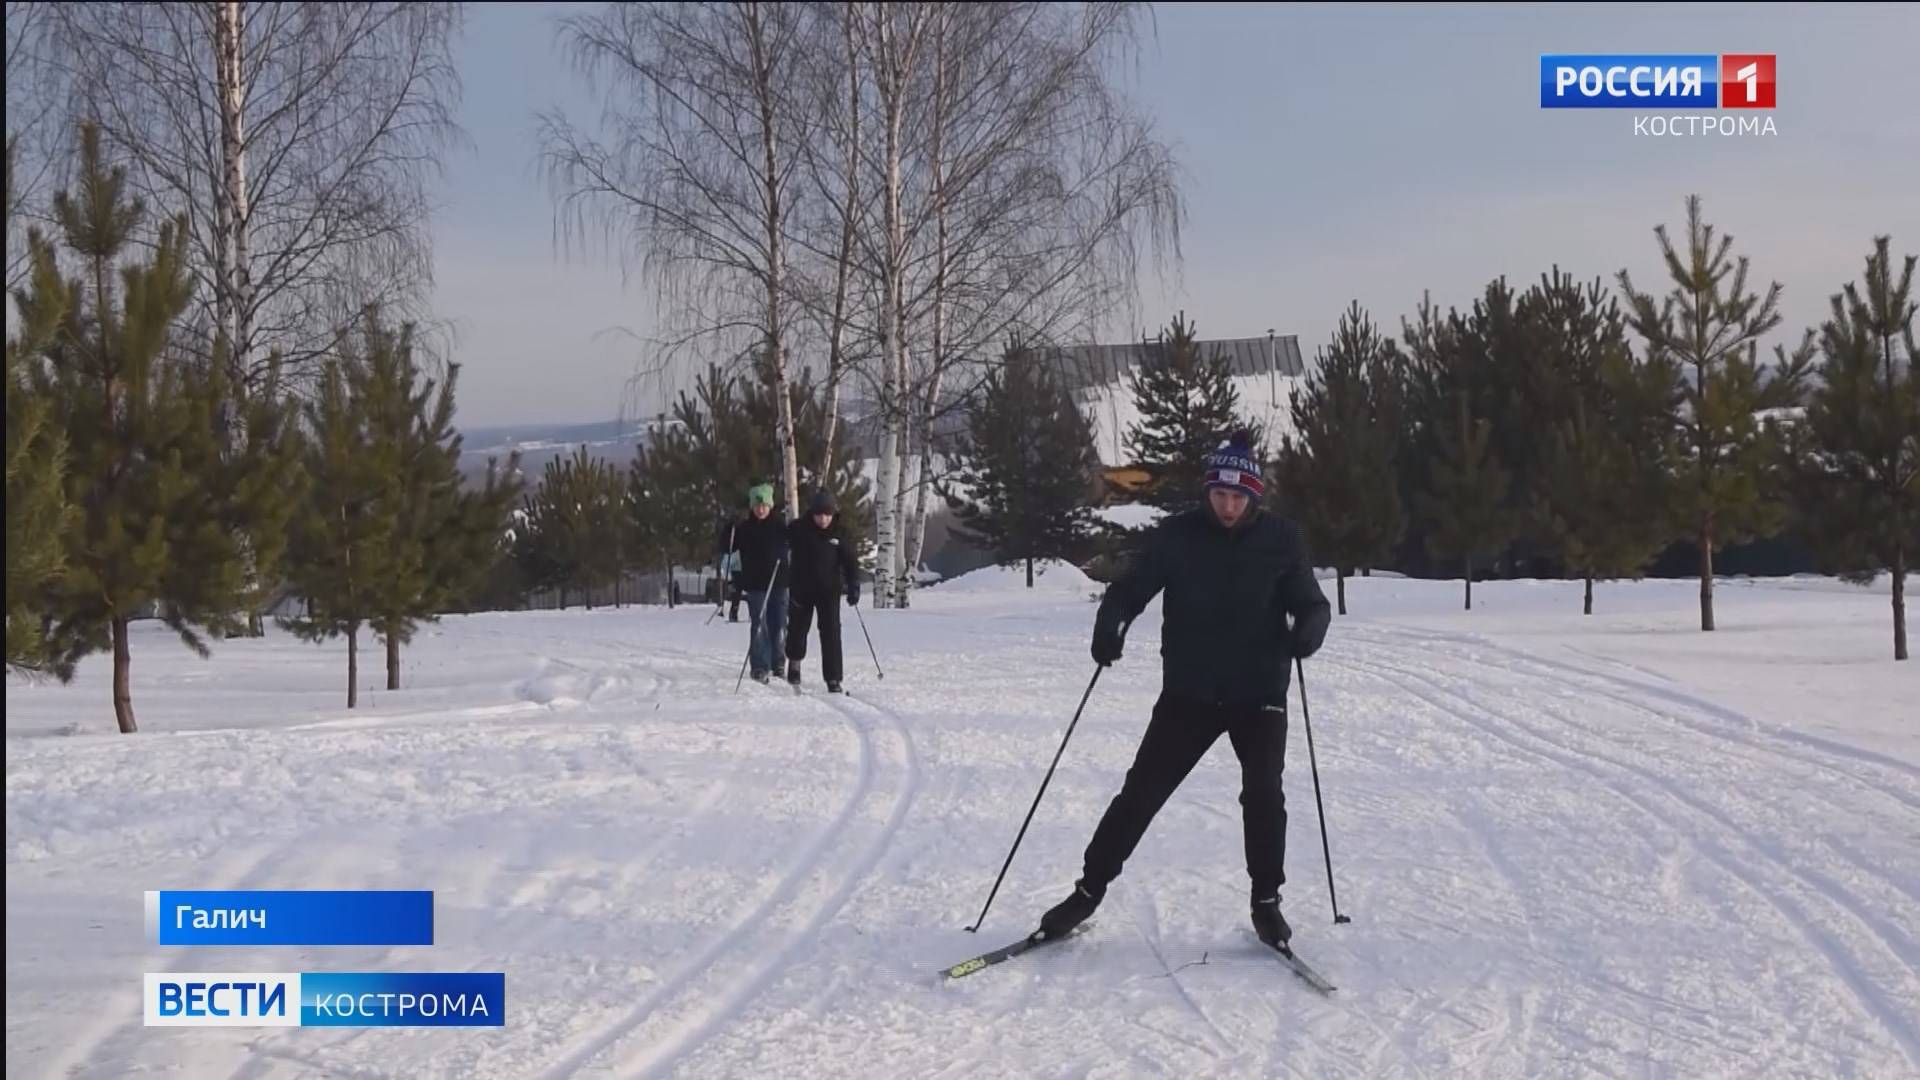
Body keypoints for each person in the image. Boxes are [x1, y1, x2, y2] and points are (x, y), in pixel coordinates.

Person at [1037, 433, 1331, 948]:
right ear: (1208, 491)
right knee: (1140, 794)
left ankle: (1266, 902)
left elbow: (1312, 602)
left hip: (1259, 690)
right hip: (1189, 692)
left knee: (1263, 796)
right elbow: (1131, 588)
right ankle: (1087, 891)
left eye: (1239, 497)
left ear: (1254, 496)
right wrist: (1111, 621)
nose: (1228, 505)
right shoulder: (1178, 536)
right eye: (1219, 495)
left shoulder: (1281, 539)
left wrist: (1310, 628)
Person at [784, 489, 861, 693]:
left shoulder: (840, 533)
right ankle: (794, 662)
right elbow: (782, 539)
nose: (823, 519)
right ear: (812, 513)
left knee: (831, 633)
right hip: (802, 588)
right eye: (819, 514)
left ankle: (833, 678)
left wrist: (854, 585)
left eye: (827, 514)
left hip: (829, 591)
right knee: (798, 629)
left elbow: (851, 561)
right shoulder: (799, 529)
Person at [727, 484, 791, 683]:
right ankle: (759, 665)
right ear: (752, 506)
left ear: (770, 505)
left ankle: (778, 662)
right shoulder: (745, 529)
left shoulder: (780, 526)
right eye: (757, 505)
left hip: (778, 581)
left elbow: (792, 544)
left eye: (764, 505)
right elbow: (729, 549)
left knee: (778, 623)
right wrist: (729, 528)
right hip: (755, 583)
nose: (760, 509)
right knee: (759, 623)